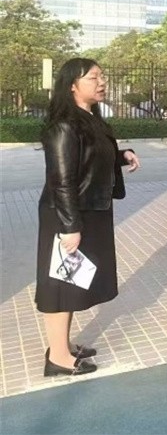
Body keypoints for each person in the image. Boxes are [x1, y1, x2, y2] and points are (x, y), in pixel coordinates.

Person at [36, 58, 141, 376]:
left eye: (102, 76)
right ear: (72, 85)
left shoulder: (89, 119)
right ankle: (57, 357)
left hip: (87, 212)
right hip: (67, 215)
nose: (102, 82)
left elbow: (89, 157)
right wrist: (70, 226)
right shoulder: (64, 126)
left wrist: (121, 156)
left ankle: (63, 346)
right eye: (93, 77)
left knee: (72, 282)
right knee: (60, 285)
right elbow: (61, 180)